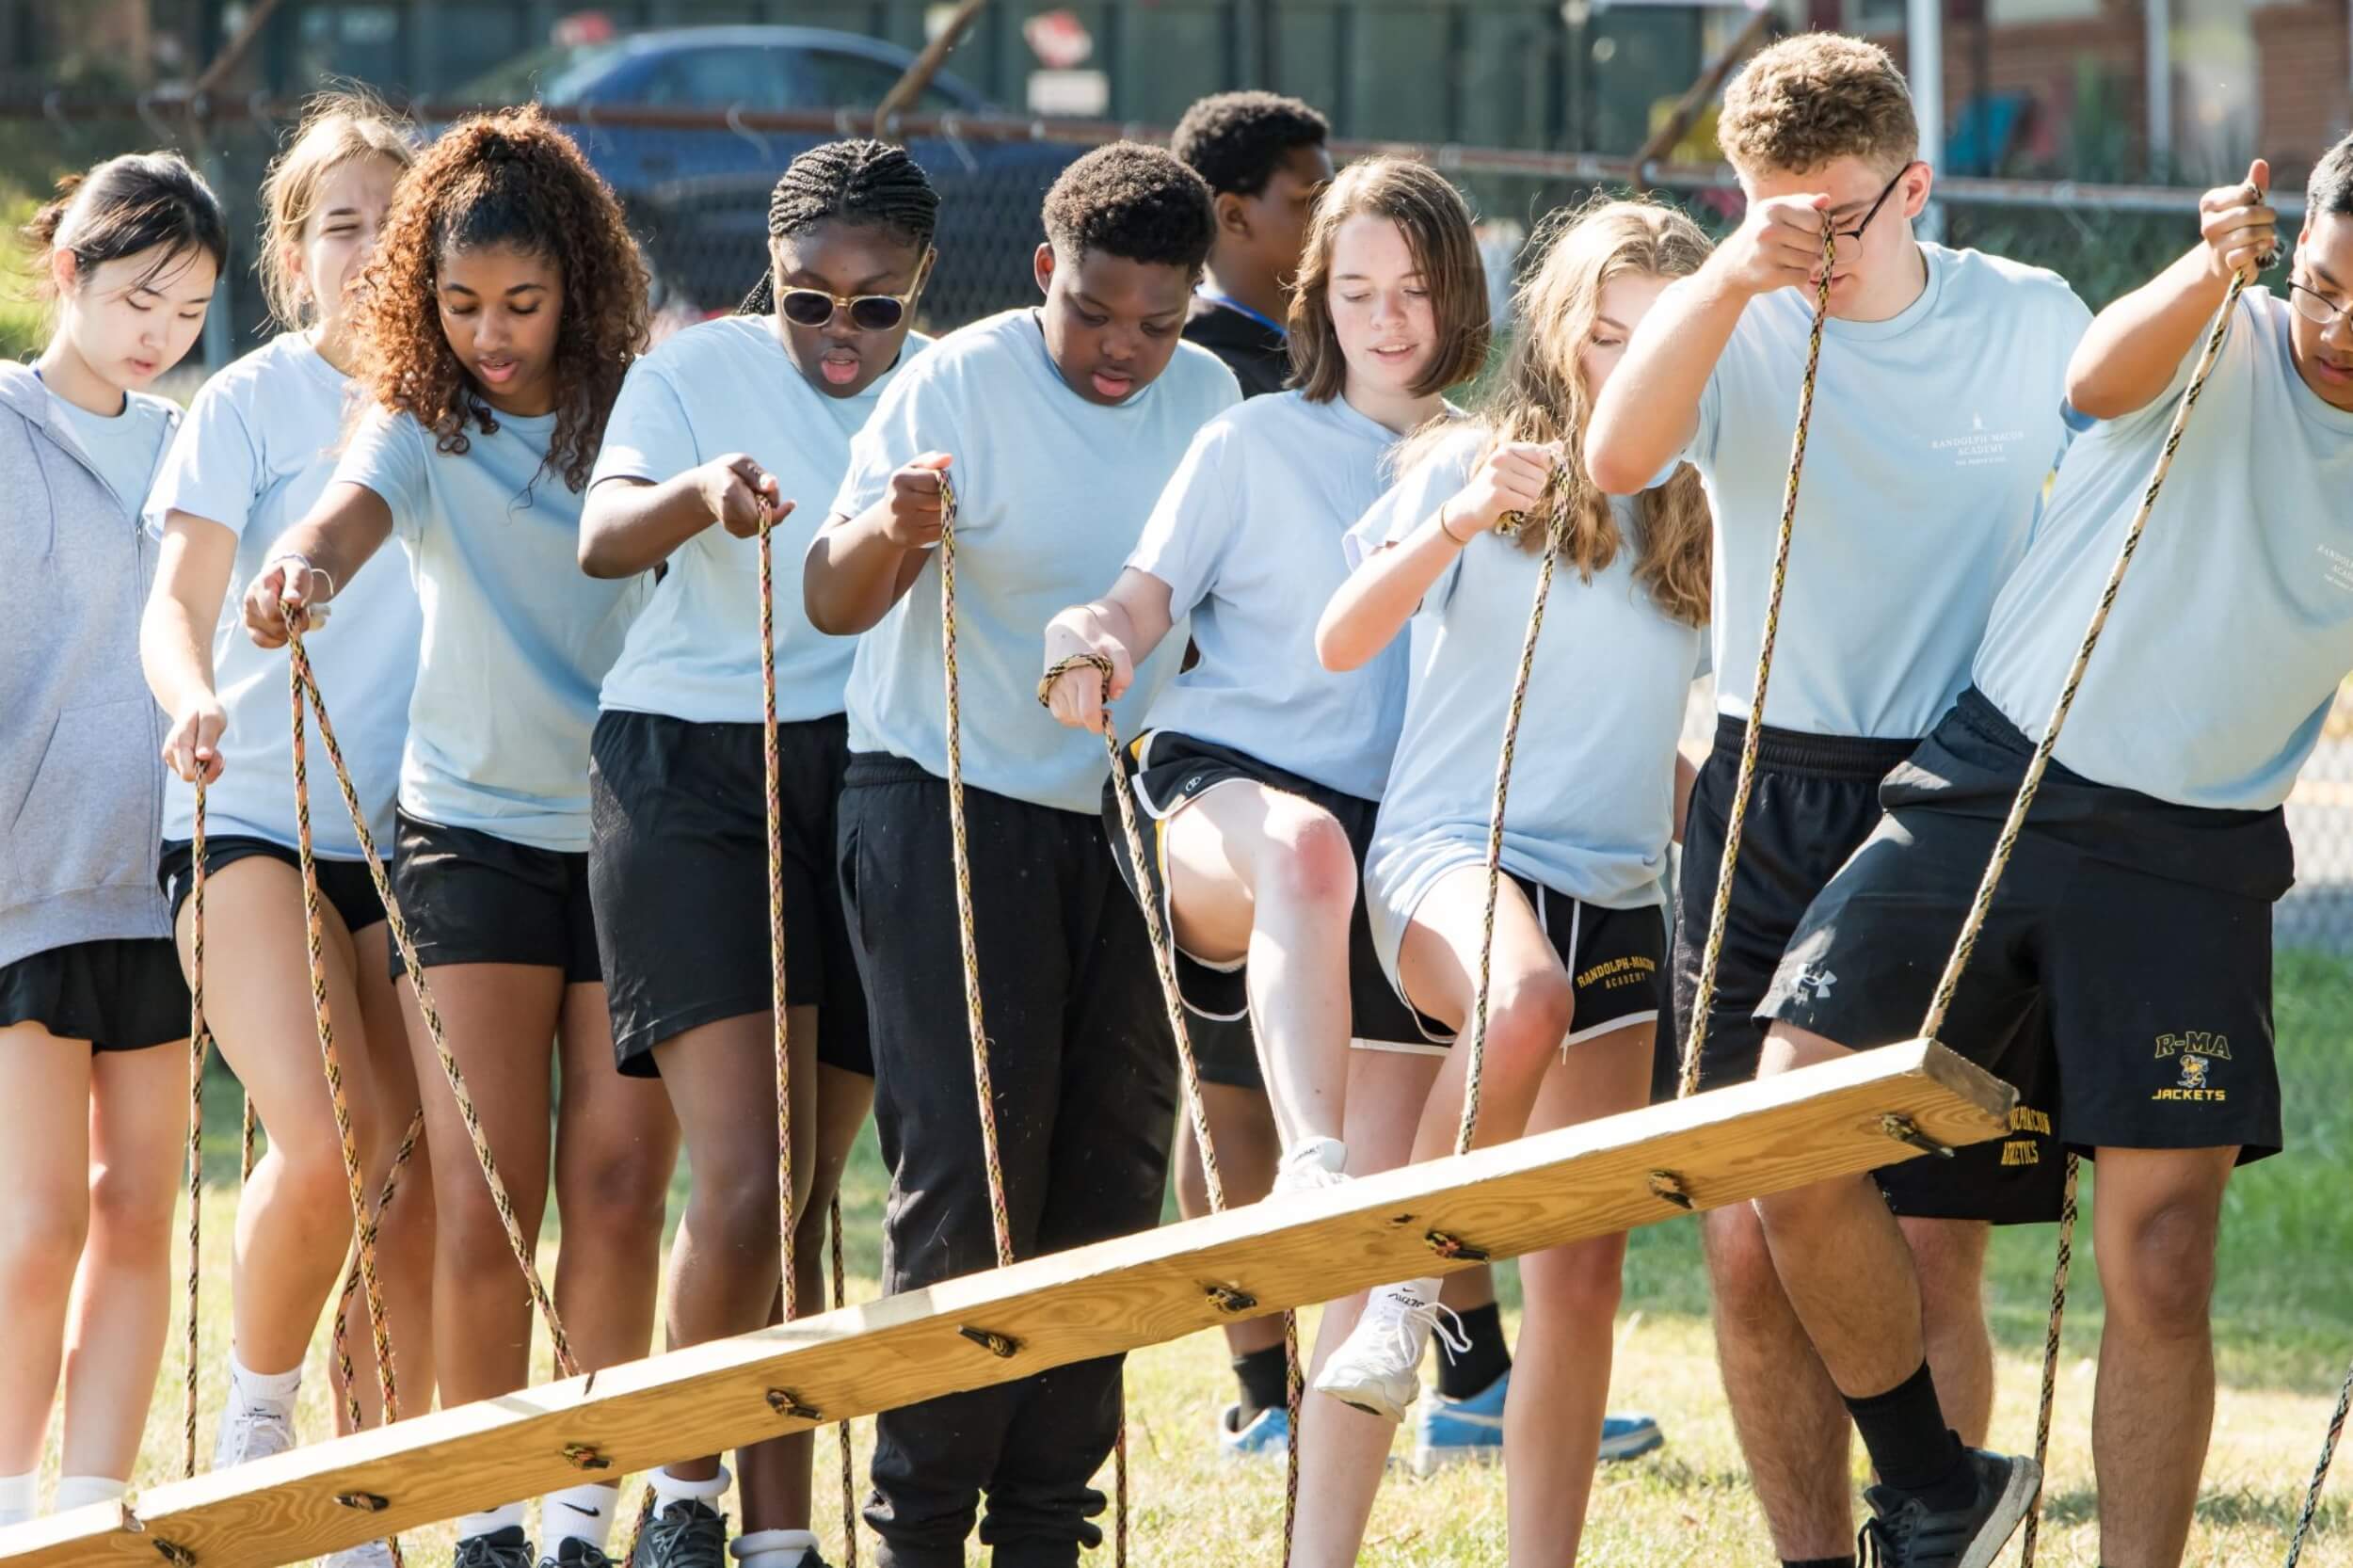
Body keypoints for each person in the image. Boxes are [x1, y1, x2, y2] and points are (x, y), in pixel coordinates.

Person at [1747, 140, 2353, 1568]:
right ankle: (1932, 1480)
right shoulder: (2218, 325)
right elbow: (2092, 384)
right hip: (2003, 779)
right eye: (2323, 288)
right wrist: (2213, 272)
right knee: (1790, 1139)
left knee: (2161, 1260)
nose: (2338, 332)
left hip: (2195, 856)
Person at [1584, 34, 2079, 1567]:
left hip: (1957, 794)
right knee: (1747, 1243)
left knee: (1923, 1246)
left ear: (1915, 189)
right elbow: (1616, 455)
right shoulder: (1728, 318)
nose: (1807, 245)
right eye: (1768, 211)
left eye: (1838, 218)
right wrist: (1731, 276)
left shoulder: (2025, 317)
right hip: (1764, 796)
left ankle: (1939, 1517)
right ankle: (1858, 1534)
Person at [239, 106, 678, 1568]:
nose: (492, 334)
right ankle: (486, 1516)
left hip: (635, 830)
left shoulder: (638, 407)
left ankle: (575, 1516)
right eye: (460, 303)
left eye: (525, 303)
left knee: (618, 1191)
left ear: (582, 287)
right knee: (496, 1191)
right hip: (469, 837)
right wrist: (298, 568)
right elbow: (346, 517)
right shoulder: (418, 417)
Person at [804, 141, 1240, 1568]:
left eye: (1158, 322)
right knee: (975, 1176)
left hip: (1127, 818)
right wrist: (893, 526)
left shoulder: (1216, 401)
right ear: (1046, 270)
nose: (1126, 348)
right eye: (1098, 312)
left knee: (1109, 1181)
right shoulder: (956, 380)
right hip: (938, 796)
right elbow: (830, 597)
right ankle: (916, 1530)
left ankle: (1048, 1527)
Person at [1038, 152, 1484, 1445]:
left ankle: (1419, 1340)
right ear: (1317, 301)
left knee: (1501, 985)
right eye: (1356, 291)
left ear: (1456, 297)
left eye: (1413, 289)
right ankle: (1312, 1166)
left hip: (1400, 832)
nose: (1387, 319)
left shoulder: (1490, 465)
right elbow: (1134, 604)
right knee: (1303, 849)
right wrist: (1091, 640)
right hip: (1225, 801)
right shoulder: (1251, 438)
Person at [1299, 197, 1706, 1568]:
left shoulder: (1701, 496)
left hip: (1622, 892)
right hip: (1449, 860)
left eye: (1657, 338)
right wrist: (1461, 519)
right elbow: (1344, 637)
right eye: (1601, 333)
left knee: (1583, 1271)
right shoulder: (1477, 459)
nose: (1621, 365)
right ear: (1556, 329)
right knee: (1518, 1001)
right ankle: (1411, 1301)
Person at [577, 138, 940, 1568]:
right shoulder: (691, 371)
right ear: (770, 281)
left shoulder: (941, 390)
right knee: (744, 1171)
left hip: (869, 770)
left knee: (797, 1192)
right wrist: (699, 497)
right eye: (810, 301)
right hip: (688, 771)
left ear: (920, 295)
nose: (839, 334)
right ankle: (681, 1501)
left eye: (875, 307)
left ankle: (782, 1540)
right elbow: (606, 535)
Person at [138, 102, 431, 1568]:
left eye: (401, 215)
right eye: (341, 221)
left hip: (418, 832)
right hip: (247, 808)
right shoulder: (247, 403)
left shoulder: (467, 398)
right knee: (329, 1134)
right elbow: (174, 605)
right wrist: (191, 699)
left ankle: (362, 1482)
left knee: (422, 1157)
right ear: (296, 252)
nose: (374, 243)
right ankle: (258, 1427)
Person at [0, 152, 224, 1528]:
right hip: (23, 890)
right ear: (68, 272)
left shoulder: (185, 446)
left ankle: (87, 1513)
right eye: (140, 296)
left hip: (161, 888)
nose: (160, 333)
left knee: (143, 1207)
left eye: (190, 311)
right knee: (38, 1228)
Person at [1172, 90, 1333, 398]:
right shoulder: (1202, 372)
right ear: (1235, 216)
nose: (1335, 217)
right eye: (1312, 200)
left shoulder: (1311, 355)